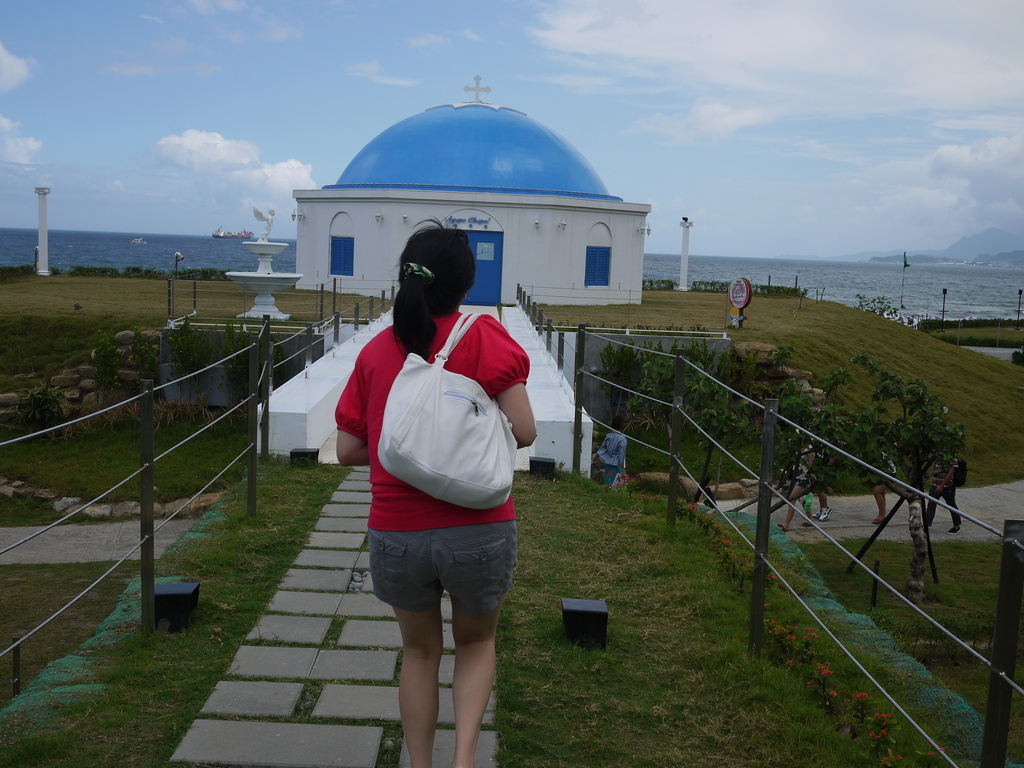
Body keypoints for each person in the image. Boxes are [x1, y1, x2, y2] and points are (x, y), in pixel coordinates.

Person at [334, 221, 537, 768]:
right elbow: (525, 432)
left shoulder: (377, 352)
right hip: (480, 528)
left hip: (397, 532)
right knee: (475, 643)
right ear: (464, 285)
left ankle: (418, 764)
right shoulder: (486, 337)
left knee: (420, 652)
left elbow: (349, 449)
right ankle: (464, 759)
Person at [779, 445, 832, 531]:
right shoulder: (798, 446)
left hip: (804, 479)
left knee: (791, 500)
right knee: (802, 500)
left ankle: (786, 524)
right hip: (798, 476)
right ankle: (810, 519)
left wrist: (810, 481)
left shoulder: (809, 449)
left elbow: (811, 466)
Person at [925, 456, 962, 535]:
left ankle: (956, 526)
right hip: (935, 484)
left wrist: (942, 485)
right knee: (931, 505)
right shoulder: (937, 454)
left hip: (947, 486)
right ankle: (926, 525)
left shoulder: (951, 454)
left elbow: (951, 471)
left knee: (951, 505)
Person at [593, 414, 627, 486]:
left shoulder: (609, 436)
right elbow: (621, 456)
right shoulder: (622, 439)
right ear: (622, 425)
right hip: (617, 466)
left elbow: (601, 449)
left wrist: (593, 459)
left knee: (607, 483)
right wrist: (623, 470)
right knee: (617, 485)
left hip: (608, 464)